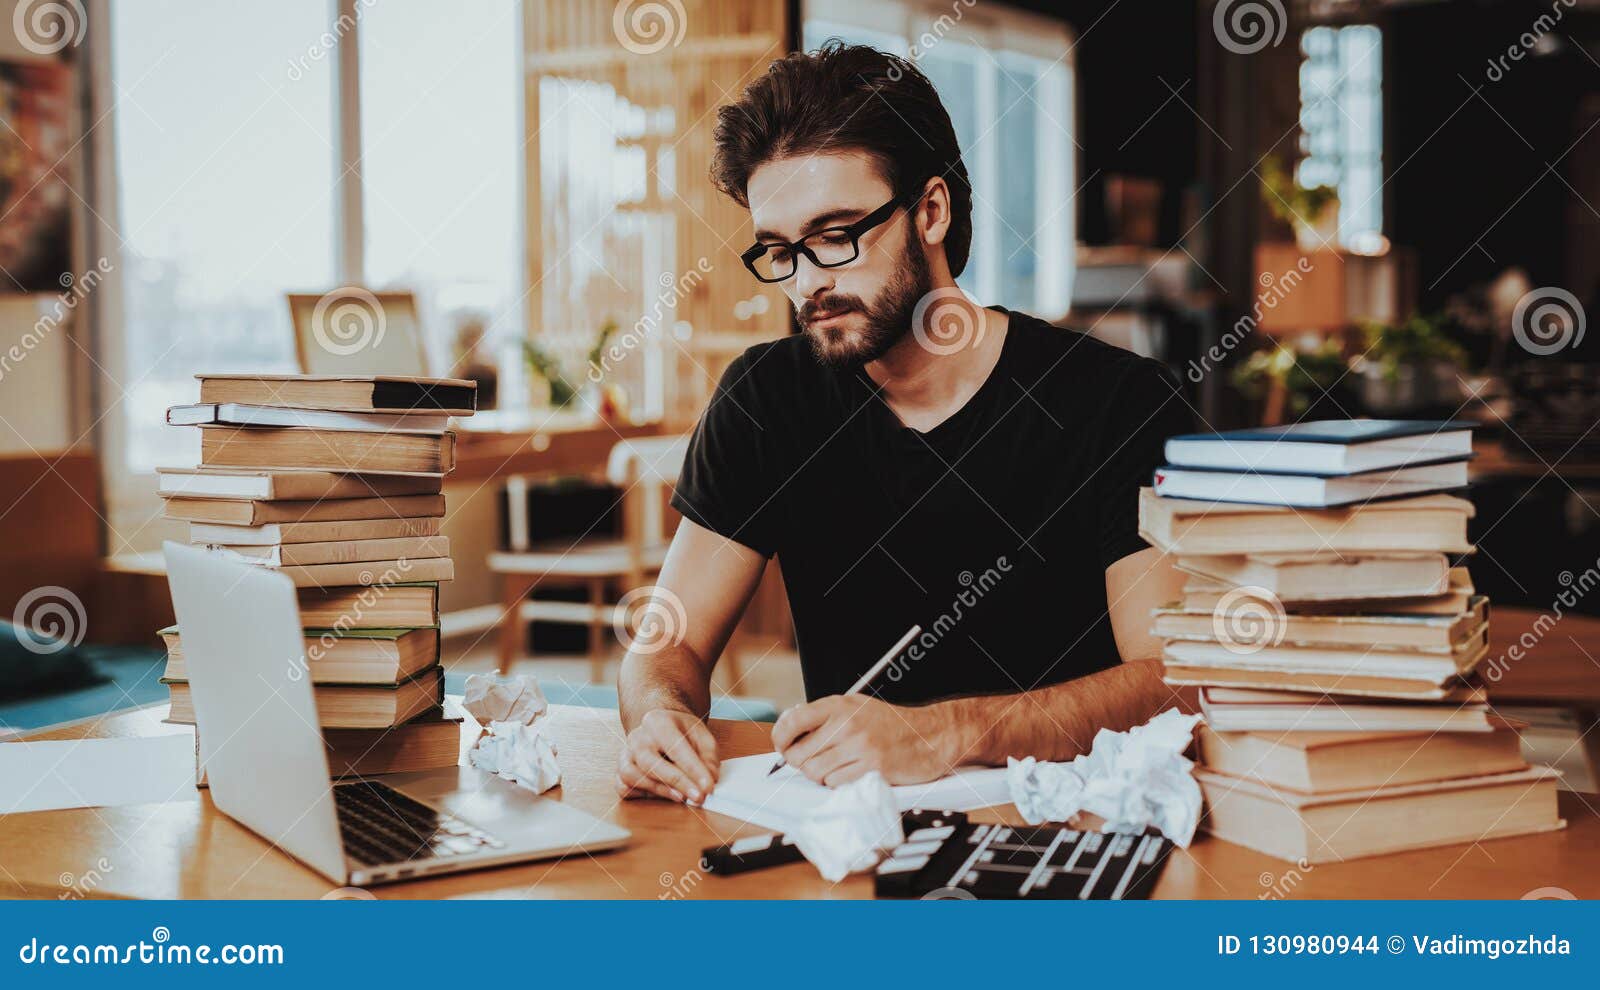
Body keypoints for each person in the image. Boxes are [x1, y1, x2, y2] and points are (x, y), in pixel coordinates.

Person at [616, 43, 1193, 804]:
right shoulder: (768, 398)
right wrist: (659, 710)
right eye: (780, 251)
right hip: (852, 846)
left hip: (1076, 827)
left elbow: (1173, 683)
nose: (809, 281)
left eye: (835, 235)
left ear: (930, 210)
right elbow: (673, 642)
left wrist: (948, 731)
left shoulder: (1118, 402)